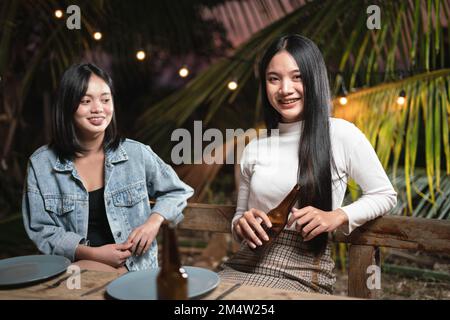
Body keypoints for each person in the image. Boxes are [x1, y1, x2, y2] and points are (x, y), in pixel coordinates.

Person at [218, 34, 397, 294]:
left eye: (297, 76)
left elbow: (384, 194)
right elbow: (239, 218)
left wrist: (337, 216)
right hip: (245, 263)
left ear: (314, 78)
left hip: (305, 269)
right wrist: (241, 224)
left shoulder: (341, 133)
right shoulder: (254, 148)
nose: (285, 89)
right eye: (273, 79)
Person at [22, 63, 194, 273]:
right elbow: (41, 230)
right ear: (67, 106)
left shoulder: (136, 154)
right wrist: (93, 253)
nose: (98, 108)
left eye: (105, 99)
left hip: (133, 267)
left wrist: (153, 222)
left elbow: (178, 191)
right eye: (86, 101)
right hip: (73, 269)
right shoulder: (41, 164)